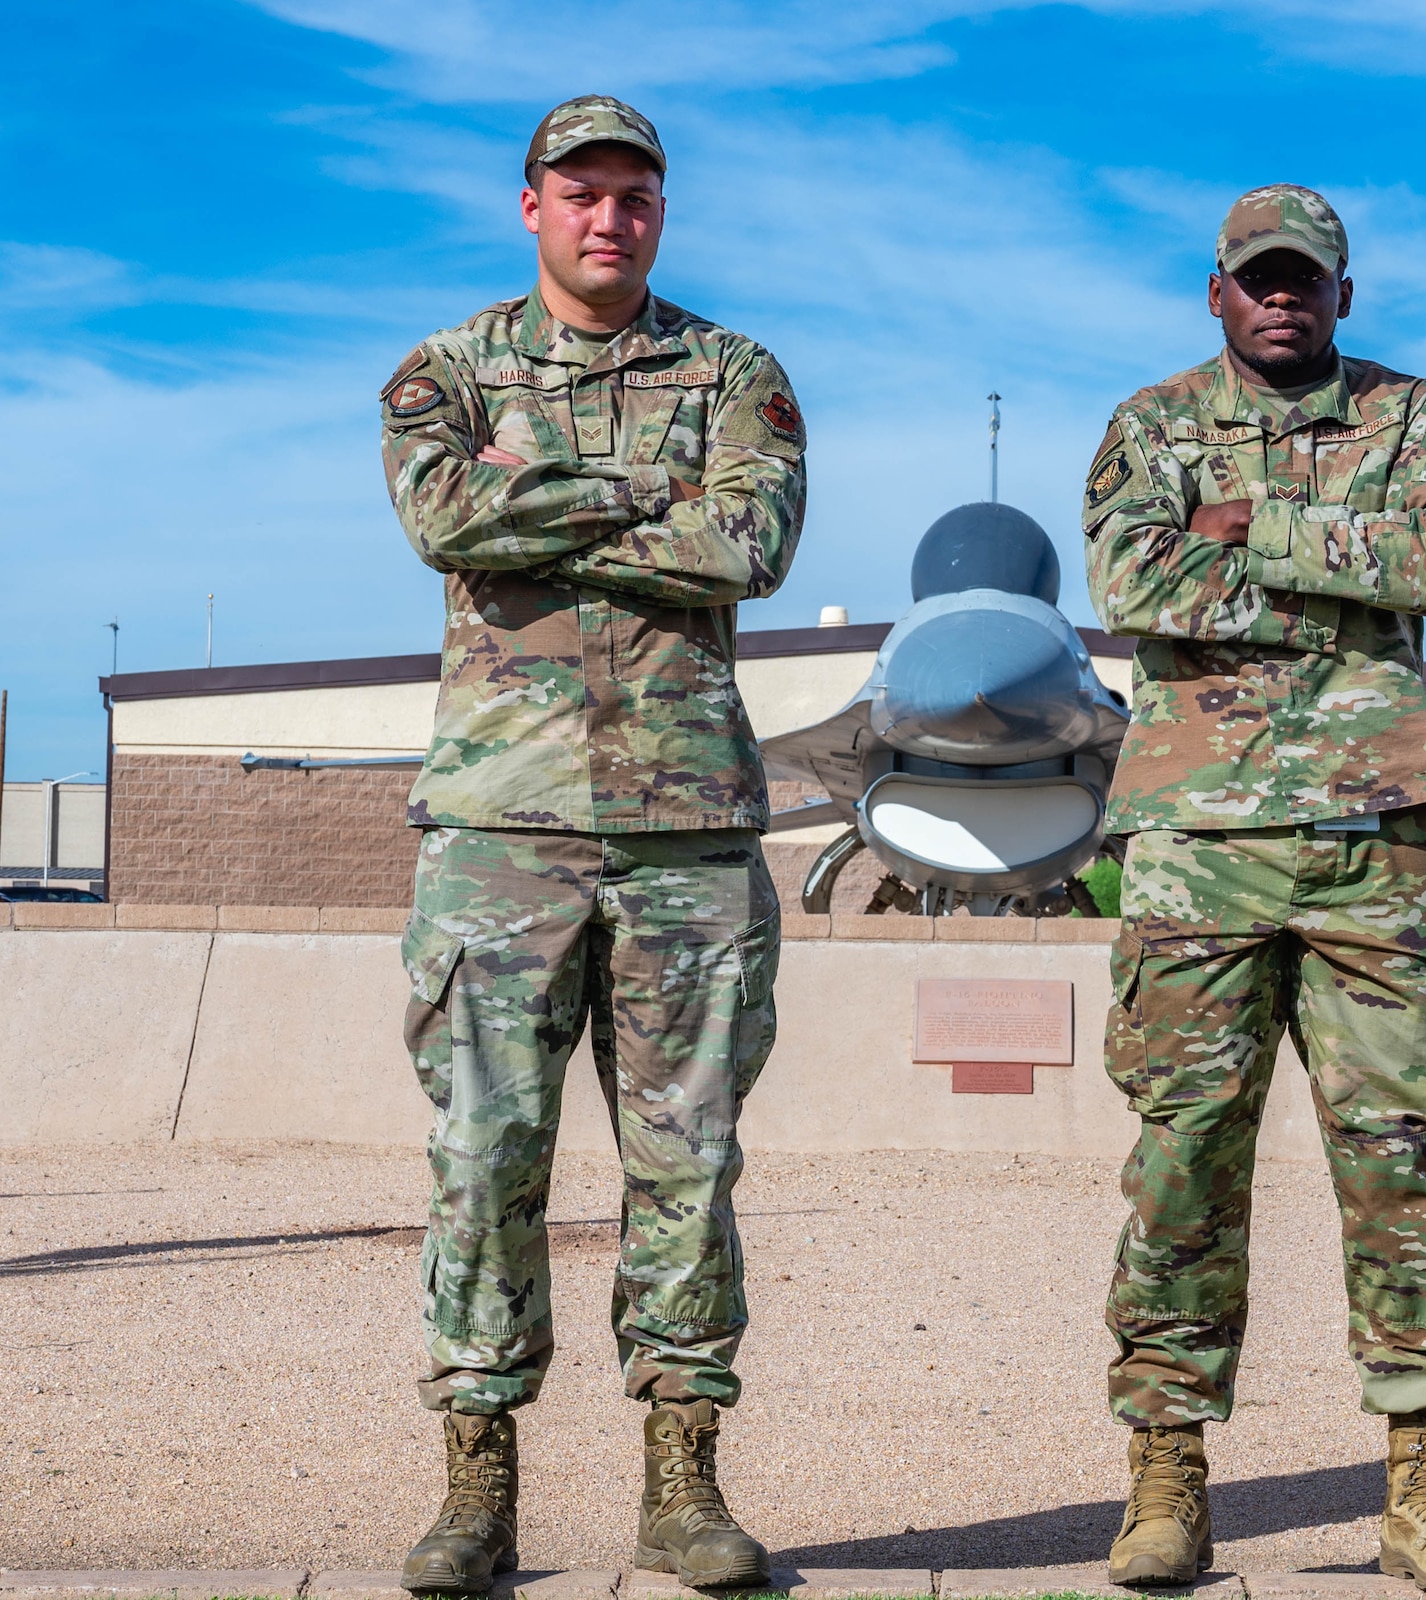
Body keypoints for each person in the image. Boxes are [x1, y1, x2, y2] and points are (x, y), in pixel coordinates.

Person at [378, 94, 806, 1595]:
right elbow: (444, 518)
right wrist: (648, 494)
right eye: (581, 193)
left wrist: (540, 508)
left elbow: (750, 544)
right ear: (531, 207)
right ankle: (476, 1491)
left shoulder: (737, 372)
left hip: (687, 832)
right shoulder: (447, 372)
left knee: (686, 1167)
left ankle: (682, 1488)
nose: (607, 217)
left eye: (634, 195)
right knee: (485, 1159)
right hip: (502, 830)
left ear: (659, 213)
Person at [1082, 184, 1426, 1591]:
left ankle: (1425, 1481)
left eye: (1305, 279)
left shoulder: (1415, 416)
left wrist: (1243, 541)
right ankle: (1166, 1476)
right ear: (1216, 293)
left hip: (1374, 838)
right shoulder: (1148, 426)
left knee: (1397, 1158)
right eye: (1257, 278)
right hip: (1197, 844)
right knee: (1186, 1160)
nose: (1282, 297)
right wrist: (1338, 564)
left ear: (1341, 295)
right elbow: (1133, 577)